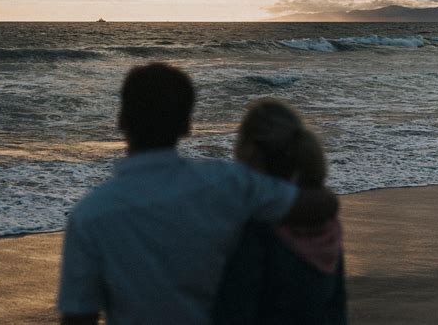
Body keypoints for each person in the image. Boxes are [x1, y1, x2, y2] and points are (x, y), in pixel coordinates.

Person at [58, 63, 339, 325]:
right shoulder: (227, 183)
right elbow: (319, 205)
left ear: (121, 120)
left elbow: (78, 316)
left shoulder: (91, 215)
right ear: (187, 125)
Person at [214, 98, 347, 325]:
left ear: (249, 151)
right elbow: (337, 312)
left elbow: (235, 312)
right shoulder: (325, 225)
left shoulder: (257, 228)